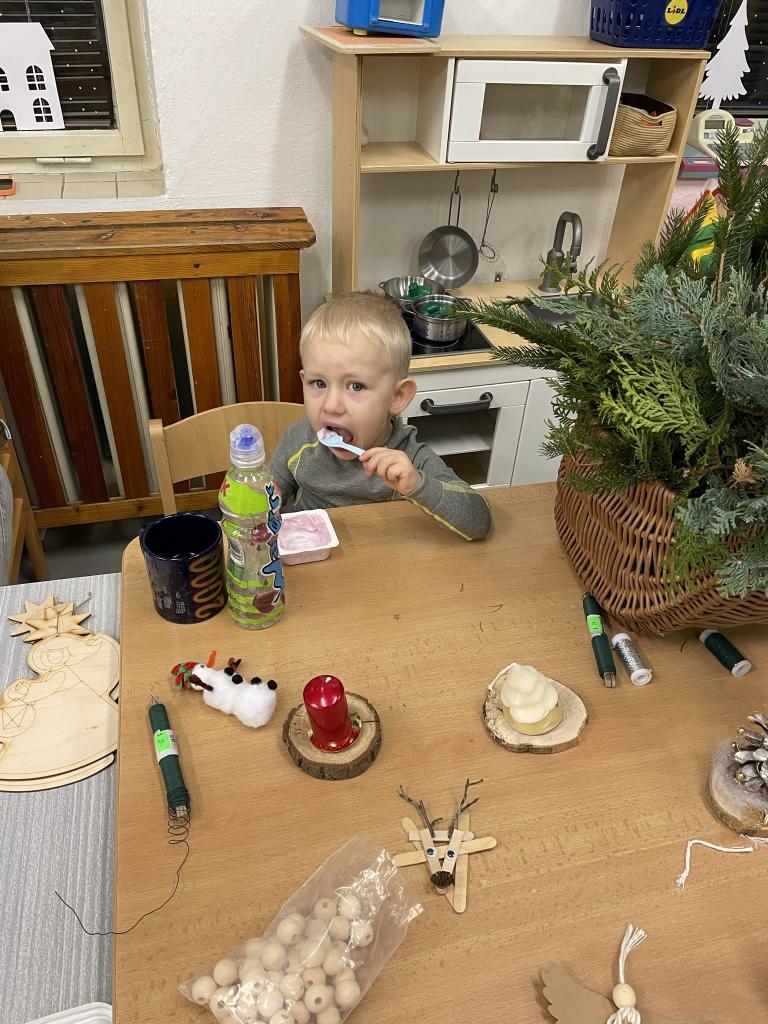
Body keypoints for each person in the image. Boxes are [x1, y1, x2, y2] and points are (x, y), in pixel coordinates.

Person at [269, 292, 492, 541]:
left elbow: (479, 521)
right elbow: (265, 499)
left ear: (397, 397)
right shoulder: (299, 440)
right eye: (319, 383)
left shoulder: (410, 457)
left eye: (356, 386)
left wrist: (418, 485)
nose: (331, 406)